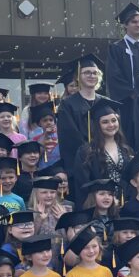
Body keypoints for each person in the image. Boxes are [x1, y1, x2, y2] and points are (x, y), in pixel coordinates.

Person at [55, 53, 105, 205]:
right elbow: (69, 137)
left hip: (105, 161)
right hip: (81, 164)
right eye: (86, 72)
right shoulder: (68, 104)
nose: (91, 76)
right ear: (78, 76)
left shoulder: (105, 102)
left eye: (94, 73)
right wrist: (90, 153)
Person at [74, 97, 133, 201]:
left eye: (114, 120)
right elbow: (83, 183)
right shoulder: (87, 152)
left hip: (125, 203)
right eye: (105, 122)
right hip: (101, 205)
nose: (111, 125)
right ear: (97, 125)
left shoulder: (126, 149)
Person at [107, 2, 139, 103]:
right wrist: (131, 93)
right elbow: (114, 75)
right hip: (127, 100)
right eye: (134, 22)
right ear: (125, 25)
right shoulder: (116, 48)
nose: (138, 25)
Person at [28, 103, 60, 170]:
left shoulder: (61, 136)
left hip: (59, 168)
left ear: (54, 122)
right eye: (45, 120)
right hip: (43, 169)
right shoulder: (36, 139)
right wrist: (45, 135)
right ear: (39, 124)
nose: (48, 122)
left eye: (51, 120)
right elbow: (37, 154)